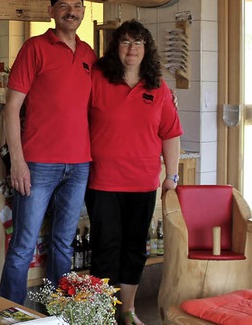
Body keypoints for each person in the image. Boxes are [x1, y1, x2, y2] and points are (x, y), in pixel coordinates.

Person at [0, 0, 97, 304]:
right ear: (52, 11)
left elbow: (107, 99)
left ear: (84, 11)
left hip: (79, 164)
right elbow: (11, 107)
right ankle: (10, 314)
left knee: (63, 245)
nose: (72, 11)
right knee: (23, 246)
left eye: (78, 6)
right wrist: (18, 161)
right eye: (65, 5)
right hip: (38, 163)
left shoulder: (88, 55)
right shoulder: (35, 47)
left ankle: (58, 311)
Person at [85, 20, 182, 325]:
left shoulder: (158, 87)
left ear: (146, 49)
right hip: (103, 181)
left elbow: (171, 134)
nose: (132, 49)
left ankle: (127, 309)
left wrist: (172, 176)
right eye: (125, 42)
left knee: (134, 248)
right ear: (116, 47)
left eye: (138, 43)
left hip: (142, 182)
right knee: (105, 247)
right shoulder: (97, 79)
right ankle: (100, 312)